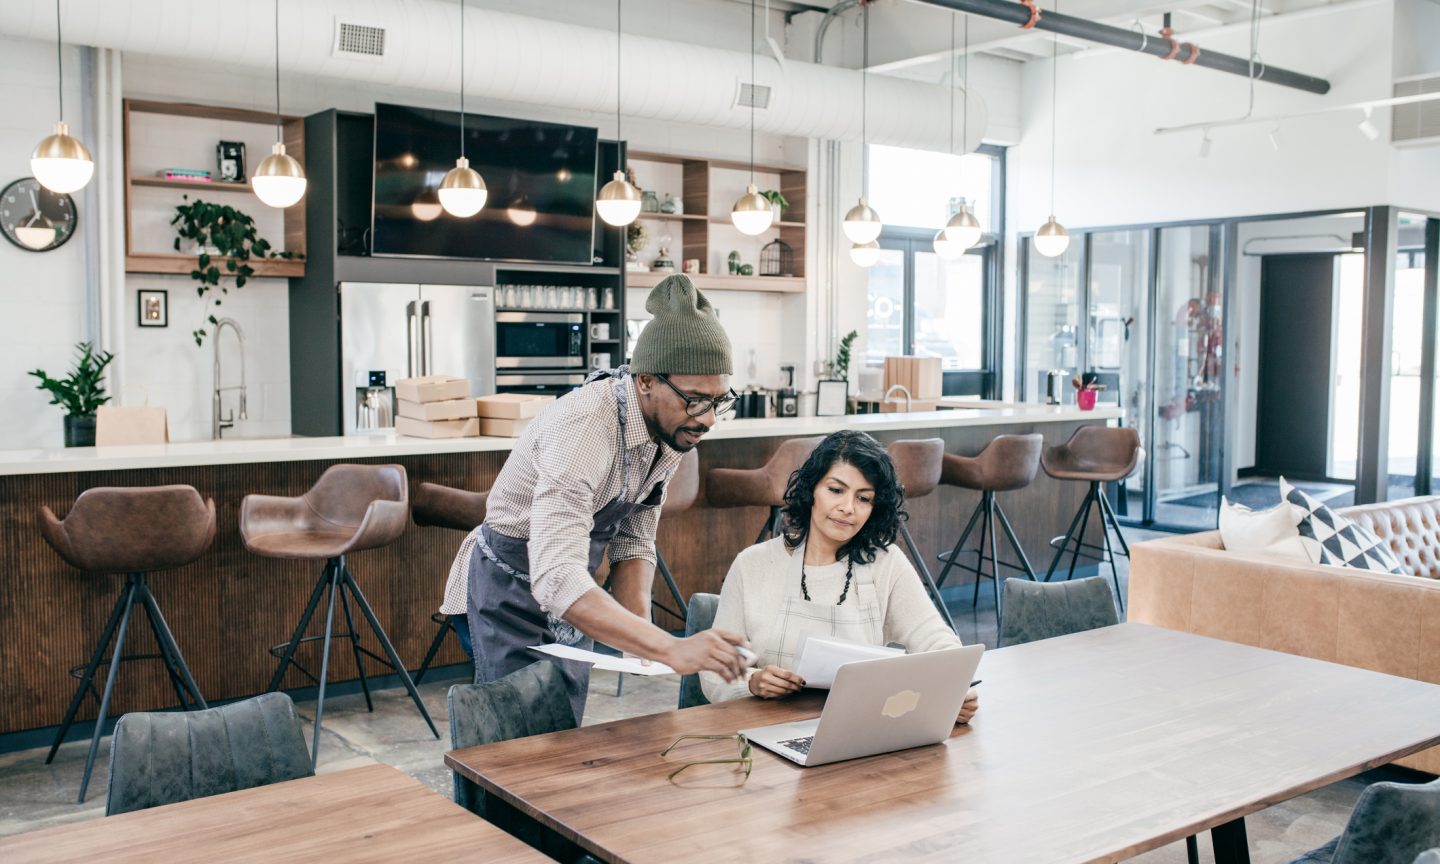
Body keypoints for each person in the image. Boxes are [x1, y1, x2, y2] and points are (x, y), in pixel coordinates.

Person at [447, 275, 748, 723]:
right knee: (518, 737)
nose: (708, 420)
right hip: (509, 592)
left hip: (573, 593)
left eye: (719, 401)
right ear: (646, 381)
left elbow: (634, 540)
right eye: (696, 400)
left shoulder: (670, 429)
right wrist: (668, 647)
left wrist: (639, 634)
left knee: (563, 728)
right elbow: (555, 576)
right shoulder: (586, 428)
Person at [701, 430, 979, 724]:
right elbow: (713, 672)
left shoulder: (886, 564)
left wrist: (954, 689)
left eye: (863, 498)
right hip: (765, 728)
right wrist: (752, 681)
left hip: (862, 726)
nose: (848, 508)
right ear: (811, 490)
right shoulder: (752, 565)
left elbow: (936, 641)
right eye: (836, 490)